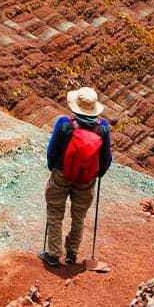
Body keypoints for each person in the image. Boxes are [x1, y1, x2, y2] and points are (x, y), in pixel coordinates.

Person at [42, 86, 112, 267]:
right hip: (86, 179)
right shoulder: (102, 127)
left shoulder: (64, 123)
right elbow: (106, 157)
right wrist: (98, 175)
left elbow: (52, 150)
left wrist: (53, 167)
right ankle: (72, 254)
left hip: (61, 174)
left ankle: (53, 254)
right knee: (78, 216)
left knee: (55, 213)